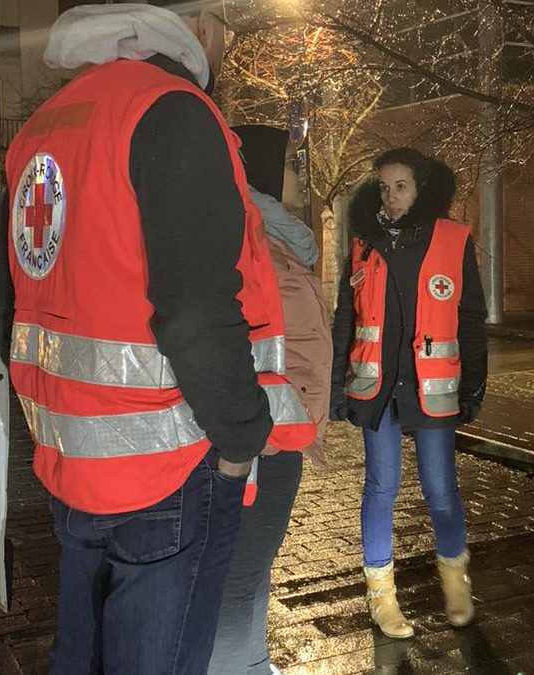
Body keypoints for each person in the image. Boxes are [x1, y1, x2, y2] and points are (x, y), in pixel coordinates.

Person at [0, 3, 278, 672]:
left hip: (73, 467)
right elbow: (197, 310)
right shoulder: (172, 111)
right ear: (196, 24)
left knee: (82, 657)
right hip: (171, 466)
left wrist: (61, 415)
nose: (226, 39)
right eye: (224, 22)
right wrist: (240, 438)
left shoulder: (43, 129)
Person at [330, 148, 488, 638]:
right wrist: (338, 386)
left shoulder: (452, 239)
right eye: (384, 186)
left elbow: (470, 318)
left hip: (431, 391)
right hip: (378, 390)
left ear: (423, 188)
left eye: (401, 186)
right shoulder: (363, 243)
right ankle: (382, 597)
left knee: (441, 490)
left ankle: (455, 580)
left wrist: (474, 384)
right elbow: (346, 319)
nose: (391, 196)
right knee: (380, 489)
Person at [209, 125, 331, 675]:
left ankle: (252, 662)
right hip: (258, 448)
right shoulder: (250, 240)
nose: (302, 177)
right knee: (235, 580)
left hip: (278, 441)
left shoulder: (276, 239)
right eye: (292, 165)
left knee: (252, 573)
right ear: (260, 171)